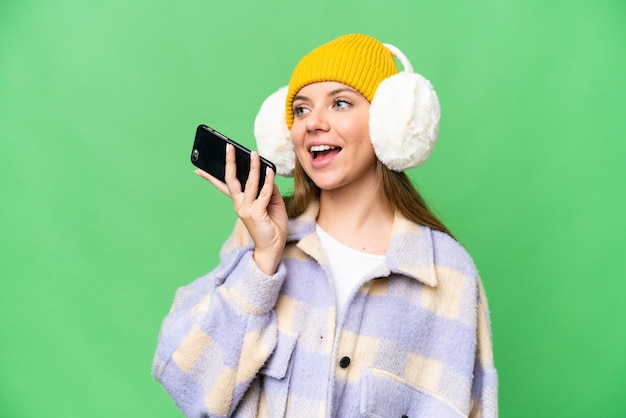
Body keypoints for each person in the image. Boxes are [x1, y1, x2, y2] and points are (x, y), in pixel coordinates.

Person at [152, 33, 498, 417]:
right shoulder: (258, 238)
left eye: (340, 103)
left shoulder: (446, 275)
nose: (313, 123)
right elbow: (189, 385)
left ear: (390, 124)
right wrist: (263, 262)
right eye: (301, 110)